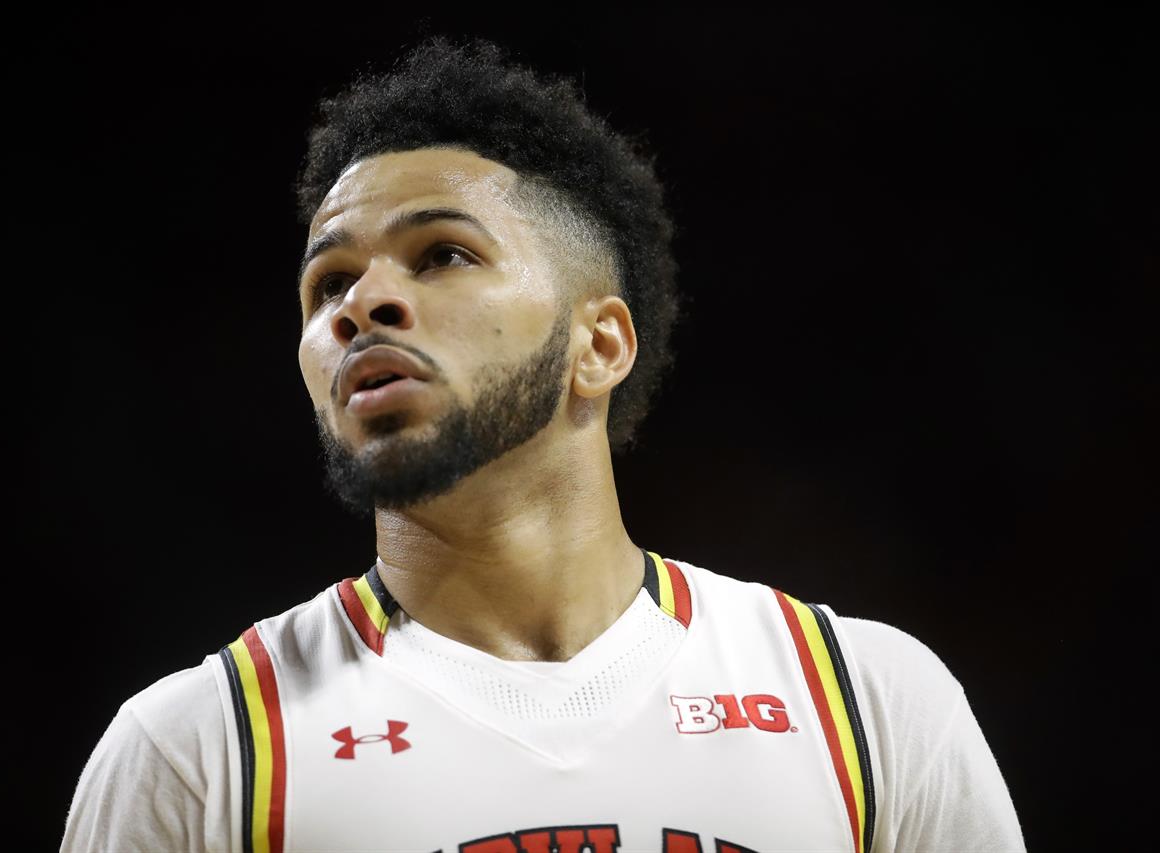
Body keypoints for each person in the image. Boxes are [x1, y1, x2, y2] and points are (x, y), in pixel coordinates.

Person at [60, 35, 1025, 853]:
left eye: (443, 253)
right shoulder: (199, 748)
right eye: (328, 286)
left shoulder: (864, 702)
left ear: (597, 343)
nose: (363, 304)